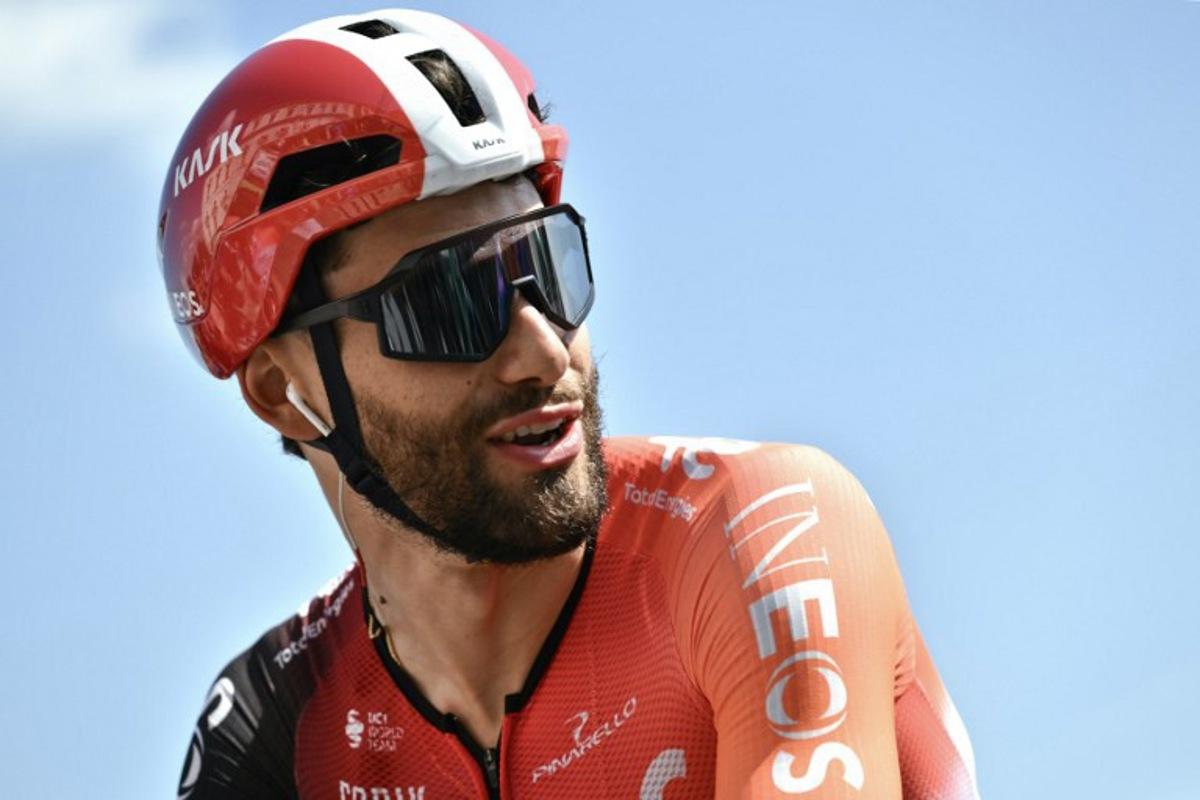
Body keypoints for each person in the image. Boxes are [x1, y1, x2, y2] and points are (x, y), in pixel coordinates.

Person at [161, 9, 980, 799]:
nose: (547, 353)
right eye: (447, 305)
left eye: (548, 267)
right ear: (283, 391)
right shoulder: (278, 717)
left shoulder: (752, 529)